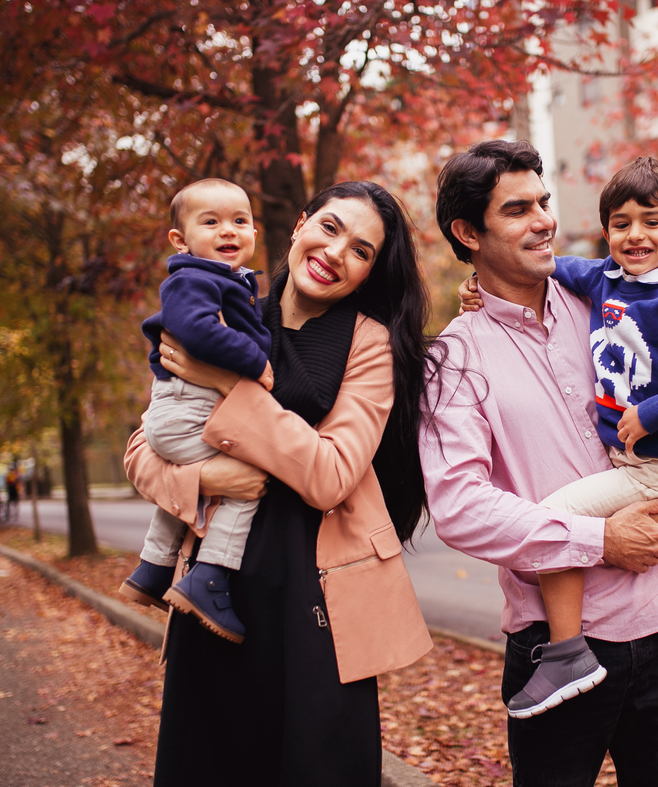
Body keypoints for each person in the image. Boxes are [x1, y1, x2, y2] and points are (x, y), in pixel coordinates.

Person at [421, 140, 658, 786]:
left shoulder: (614, 297)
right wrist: (598, 540)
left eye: (544, 202)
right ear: (468, 233)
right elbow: (460, 506)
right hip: (561, 645)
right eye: (517, 210)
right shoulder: (454, 358)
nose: (543, 221)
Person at [124, 180, 433, 786]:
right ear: (299, 225)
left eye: (362, 251)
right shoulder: (217, 307)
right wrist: (208, 477)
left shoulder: (369, 345)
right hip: (214, 589)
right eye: (330, 227)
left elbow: (331, 475)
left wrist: (229, 386)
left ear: (369, 273)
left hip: (318, 601)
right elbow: (145, 446)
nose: (337, 252)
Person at [120, 177, 273, 644]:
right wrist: (257, 362)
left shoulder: (227, 281)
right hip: (188, 410)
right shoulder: (192, 279)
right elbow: (199, 331)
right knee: (248, 477)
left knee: (198, 480)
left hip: (185, 410)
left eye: (240, 221)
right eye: (212, 222)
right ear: (180, 240)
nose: (229, 230)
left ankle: (152, 568)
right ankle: (210, 577)